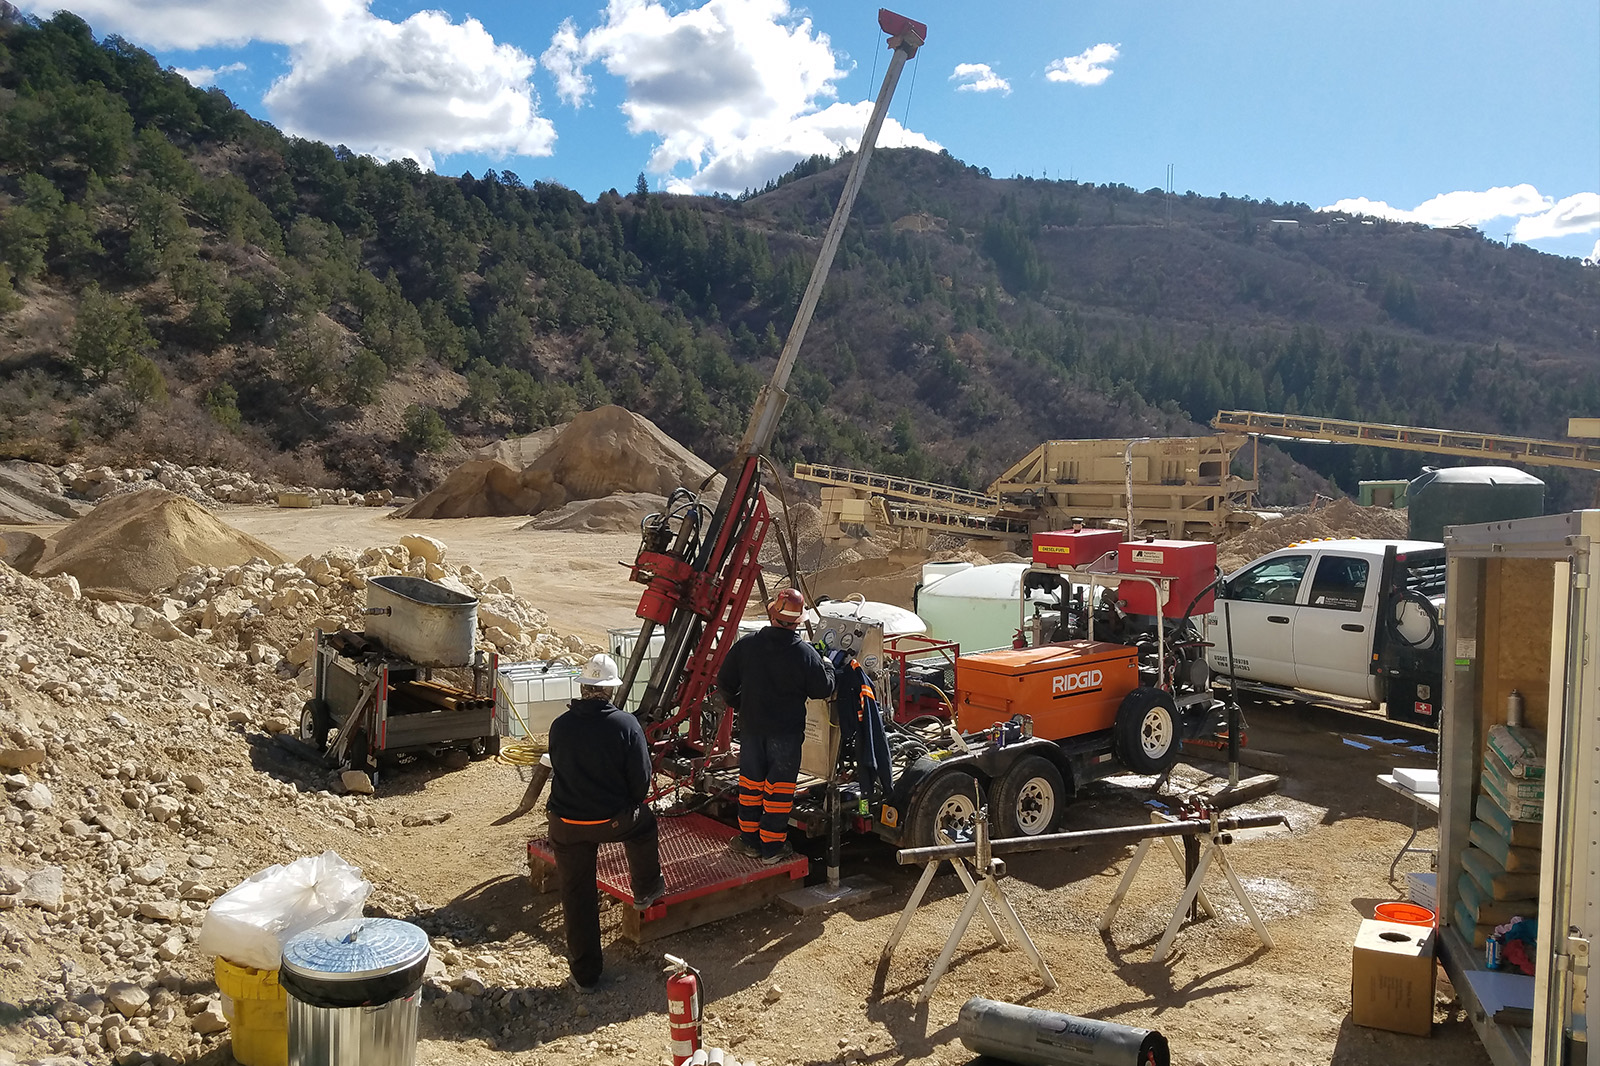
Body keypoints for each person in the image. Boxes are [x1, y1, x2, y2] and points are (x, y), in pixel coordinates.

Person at [546, 653, 667, 993]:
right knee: (644, 824)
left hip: (566, 824)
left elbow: (559, 765)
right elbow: (640, 785)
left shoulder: (560, 725)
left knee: (577, 893)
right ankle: (645, 889)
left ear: (583, 687)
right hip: (611, 821)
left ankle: (585, 976)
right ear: (611, 691)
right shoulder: (627, 725)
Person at [717, 587, 836, 864]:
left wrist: (740, 703)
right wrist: (827, 664)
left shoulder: (747, 646)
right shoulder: (804, 654)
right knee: (779, 791)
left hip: (752, 729)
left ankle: (748, 841)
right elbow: (823, 688)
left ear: (772, 615)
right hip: (785, 734)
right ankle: (771, 848)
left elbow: (724, 681)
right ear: (797, 622)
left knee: (751, 785)